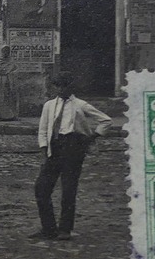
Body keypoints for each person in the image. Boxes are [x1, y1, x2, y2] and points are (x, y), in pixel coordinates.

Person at [31, 71, 114, 242]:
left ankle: (65, 229)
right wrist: (44, 151)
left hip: (73, 149)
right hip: (54, 148)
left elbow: (106, 120)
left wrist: (92, 136)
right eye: (57, 86)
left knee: (68, 190)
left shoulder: (80, 105)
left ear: (70, 86)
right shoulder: (49, 105)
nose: (60, 89)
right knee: (41, 188)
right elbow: (42, 130)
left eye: (64, 86)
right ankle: (48, 228)